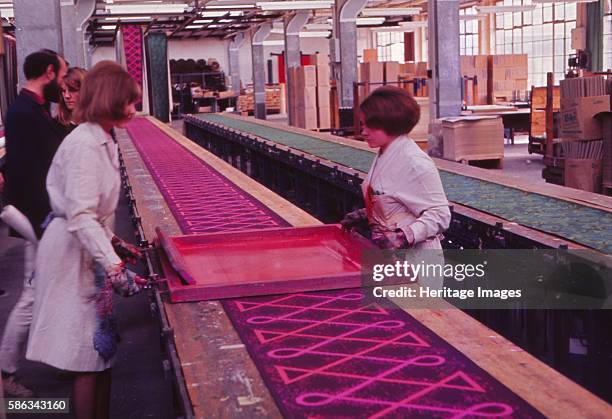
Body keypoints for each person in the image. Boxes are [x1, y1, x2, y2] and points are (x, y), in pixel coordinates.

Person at [25, 60, 146, 419]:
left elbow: (90, 211)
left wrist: (116, 243)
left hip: (84, 247)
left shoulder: (102, 138)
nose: (134, 110)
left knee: (100, 354)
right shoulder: (84, 145)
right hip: (70, 254)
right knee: (85, 355)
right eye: (130, 102)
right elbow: (79, 215)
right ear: (111, 100)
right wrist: (113, 264)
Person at [0, 49, 68, 397]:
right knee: (30, 295)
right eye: (63, 77)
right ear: (49, 72)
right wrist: (47, 224)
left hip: (39, 216)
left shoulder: (31, 110)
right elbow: (28, 175)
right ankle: (6, 372)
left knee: (47, 290)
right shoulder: (25, 113)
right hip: (35, 218)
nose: (64, 86)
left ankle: (60, 359)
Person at [341, 86, 451, 286]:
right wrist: (367, 214)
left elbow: (441, 214)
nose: (363, 132)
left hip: (417, 263)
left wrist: (403, 236)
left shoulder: (414, 163)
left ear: (391, 124)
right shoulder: (385, 152)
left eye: (370, 126)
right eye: (362, 125)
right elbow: (396, 198)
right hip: (393, 260)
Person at [56, 67, 87, 133]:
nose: (67, 96)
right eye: (63, 91)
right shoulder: (56, 126)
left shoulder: (100, 123)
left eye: (72, 90)